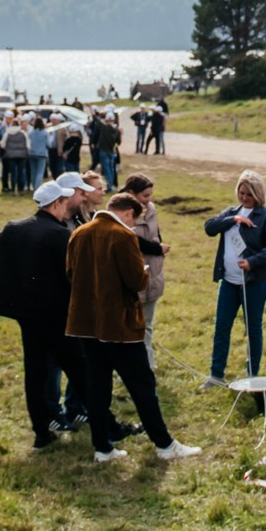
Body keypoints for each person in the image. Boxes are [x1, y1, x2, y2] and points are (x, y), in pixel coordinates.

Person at [66, 192, 197, 462]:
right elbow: (137, 281)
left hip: (86, 324)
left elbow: (70, 273)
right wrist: (146, 270)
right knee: (142, 386)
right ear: (128, 213)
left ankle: (102, 447)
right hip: (119, 326)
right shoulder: (122, 236)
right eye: (133, 220)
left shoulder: (79, 233)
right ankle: (164, 445)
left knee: (98, 387)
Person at [0, 180, 87, 448]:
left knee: (35, 372)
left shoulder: (13, 228)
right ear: (56, 204)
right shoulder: (58, 234)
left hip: (25, 312)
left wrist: (18, 274)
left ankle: (41, 431)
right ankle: (105, 424)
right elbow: (74, 273)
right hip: (56, 313)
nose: (66, 207)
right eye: (64, 203)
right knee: (79, 368)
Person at [203, 172, 266, 383]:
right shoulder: (231, 212)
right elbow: (209, 227)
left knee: (253, 328)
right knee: (222, 326)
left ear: (258, 194)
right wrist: (233, 219)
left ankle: (252, 374)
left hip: (254, 282)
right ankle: (216, 374)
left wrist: (253, 261)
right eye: (241, 192)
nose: (244, 197)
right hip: (228, 281)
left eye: (249, 194)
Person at [120, 173, 169, 368]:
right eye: (145, 196)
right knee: (131, 325)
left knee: (147, 323)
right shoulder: (122, 213)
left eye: (150, 195)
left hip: (153, 275)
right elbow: (132, 240)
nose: (148, 200)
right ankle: (130, 366)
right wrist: (157, 249)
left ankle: (148, 363)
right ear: (131, 193)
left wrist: (159, 249)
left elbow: (155, 232)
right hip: (134, 275)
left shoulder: (151, 209)